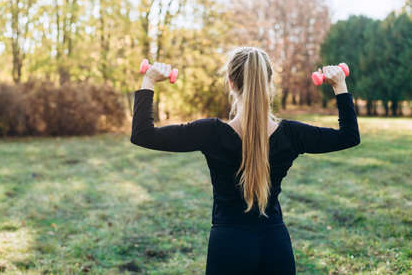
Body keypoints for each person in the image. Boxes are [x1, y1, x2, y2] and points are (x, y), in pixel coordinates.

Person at [130, 46, 360, 275]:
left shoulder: (211, 133)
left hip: (228, 247)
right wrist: (340, 86)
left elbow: (143, 134)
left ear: (231, 83)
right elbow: (348, 136)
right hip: (275, 247)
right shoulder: (292, 135)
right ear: (269, 83)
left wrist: (149, 80)